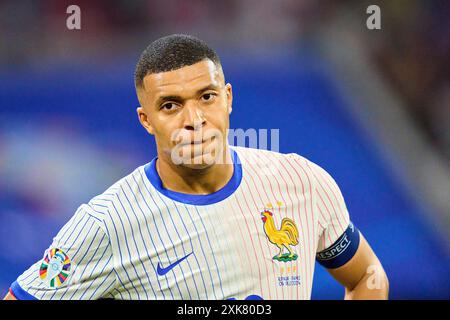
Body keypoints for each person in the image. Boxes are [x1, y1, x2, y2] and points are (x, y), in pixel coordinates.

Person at [4, 34, 388, 300]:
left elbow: (367, 277)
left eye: (206, 97)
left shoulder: (301, 181)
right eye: (171, 105)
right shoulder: (107, 223)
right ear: (146, 119)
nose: (194, 119)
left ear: (228, 98)